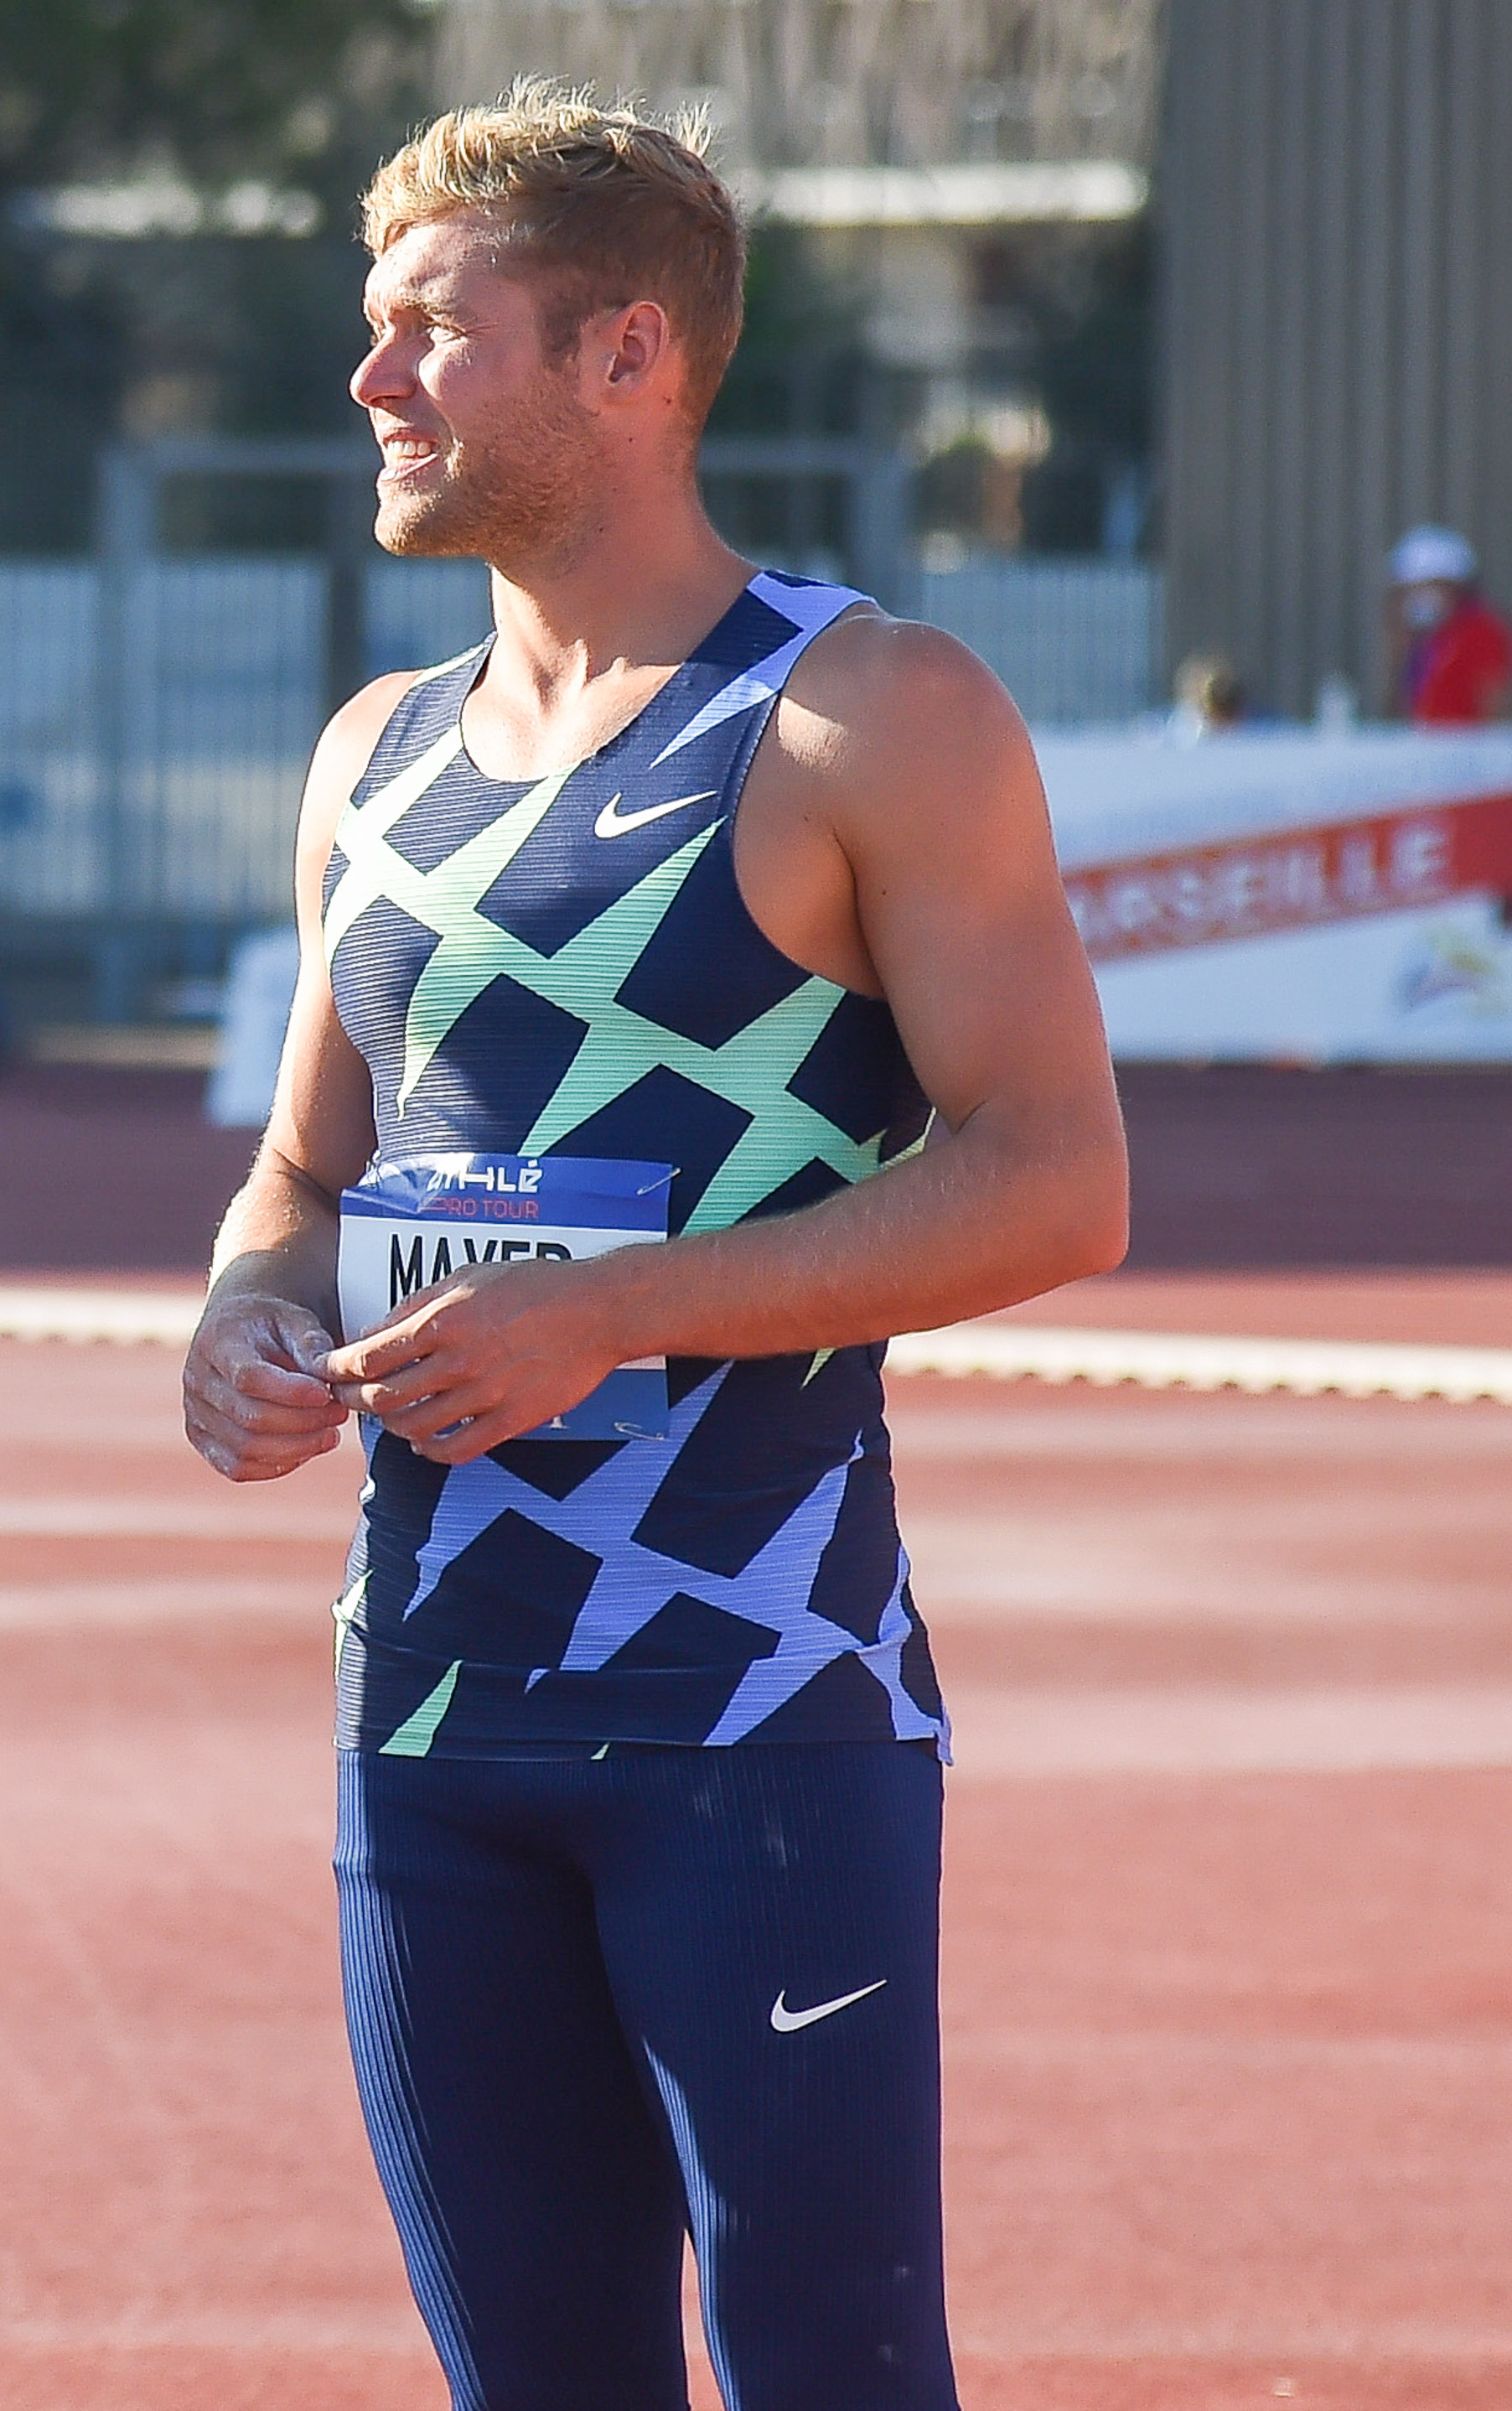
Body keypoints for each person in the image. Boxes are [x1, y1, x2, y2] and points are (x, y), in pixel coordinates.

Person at [179, 86, 1128, 2409]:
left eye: (428, 331)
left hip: (753, 1716)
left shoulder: (859, 712)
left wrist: (608, 1310)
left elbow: (1054, 1180)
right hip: (420, 1710)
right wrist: (241, 1318)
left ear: (624, 357)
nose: (369, 385)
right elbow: (300, 1177)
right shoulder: (374, 752)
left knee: (829, 2374)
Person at [1385, 525, 1512, 723]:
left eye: (1429, 586)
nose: (1419, 598)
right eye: (1411, 590)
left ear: (1455, 587)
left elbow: (1494, 702)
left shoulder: (1481, 631)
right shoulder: (1423, 638)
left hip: (1468, 749)